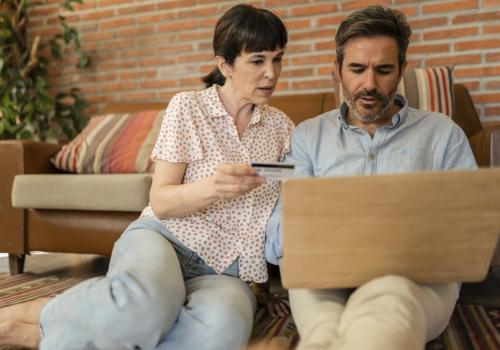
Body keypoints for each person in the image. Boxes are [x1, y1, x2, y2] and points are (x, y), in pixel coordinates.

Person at [0, 4, 293, 349]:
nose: (272, 73)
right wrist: (213, 188)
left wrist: (263, 285)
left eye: (278, 59)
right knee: (146, 305)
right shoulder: (188, 108)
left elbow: (281, 211)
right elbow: (161, 200)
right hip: (165, 239)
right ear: (224, 65)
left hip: (225, 271)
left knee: (223, 332)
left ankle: (54, 332)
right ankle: (49, 311)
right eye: (258, 61)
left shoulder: (282, 128)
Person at [265, 5, 477, 350]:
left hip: (413, 281)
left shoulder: (443, 134)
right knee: (322, 335)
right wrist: (317, 238)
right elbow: (277, 230)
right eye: (357, 69)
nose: (369, 84)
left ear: (402, 70)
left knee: (383, 314)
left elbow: (470, 228)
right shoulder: (306, 138)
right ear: (338, 71)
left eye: (383, 70)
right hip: (322, 279)